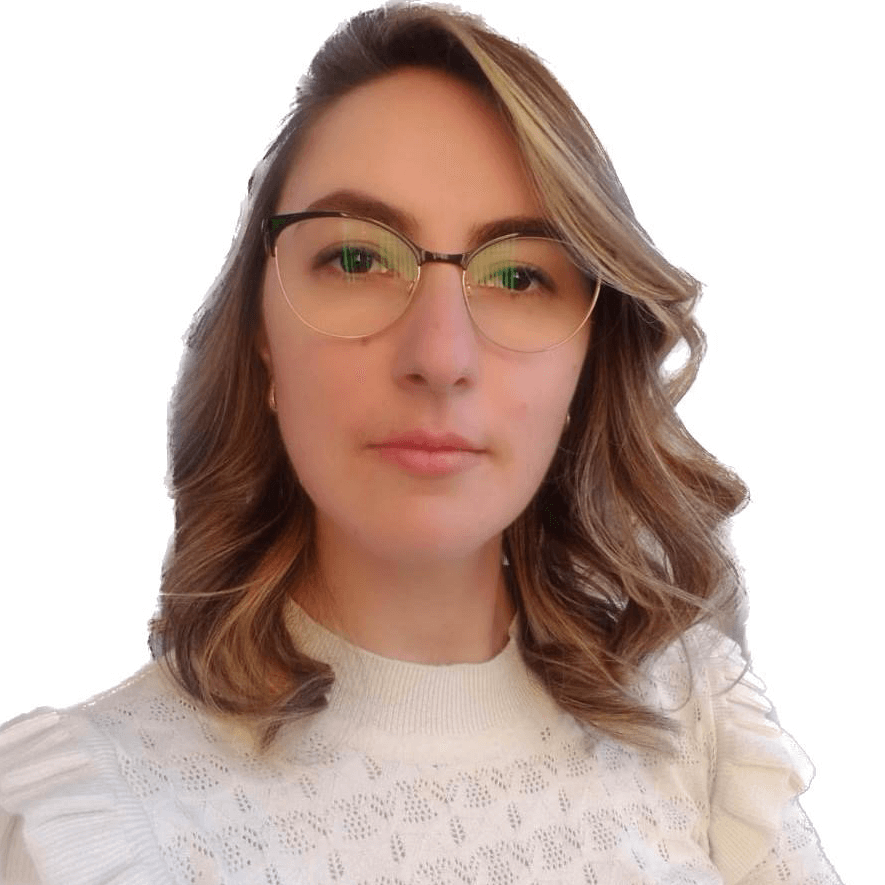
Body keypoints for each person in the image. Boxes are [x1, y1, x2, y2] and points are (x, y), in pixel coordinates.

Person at [0, 3, 843, 883]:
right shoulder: (92, 828)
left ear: (589, 361)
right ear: (260, 331)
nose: (439, 357)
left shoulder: (699, 733)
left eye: (518, 275)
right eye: (357, 260)